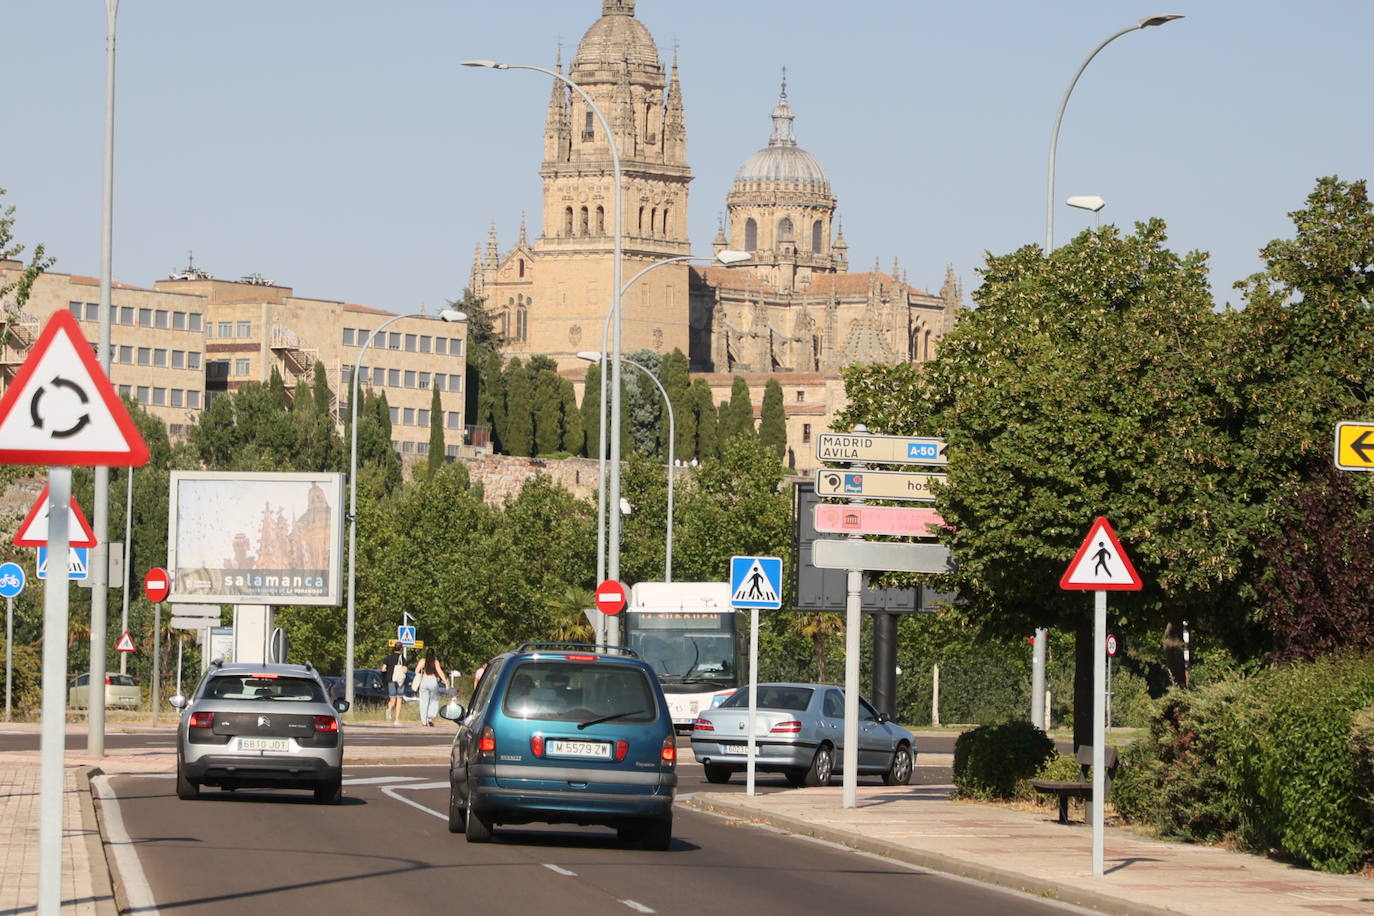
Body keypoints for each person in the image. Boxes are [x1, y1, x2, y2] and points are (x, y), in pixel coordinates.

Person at [413, 648, 450, 727]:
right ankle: (430, 717)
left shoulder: (422, 661)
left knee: (423, 701)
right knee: (434, 699)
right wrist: (446, 682)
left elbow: (416, 671)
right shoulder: (435, 662)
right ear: (433, 654)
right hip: (433, 680)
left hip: (424, 680)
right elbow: (440, 672)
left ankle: (423, 721)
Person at [382, 644, 406, 726]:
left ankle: (389, 710)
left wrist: (387, 673)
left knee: (392, 699)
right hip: (400, 681)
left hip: (390, 680)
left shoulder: (388, 658)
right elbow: (405, 670)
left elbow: (383, 669)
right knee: (399, 699)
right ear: (401, 649)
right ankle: (397, 719)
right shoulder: (402, 658)